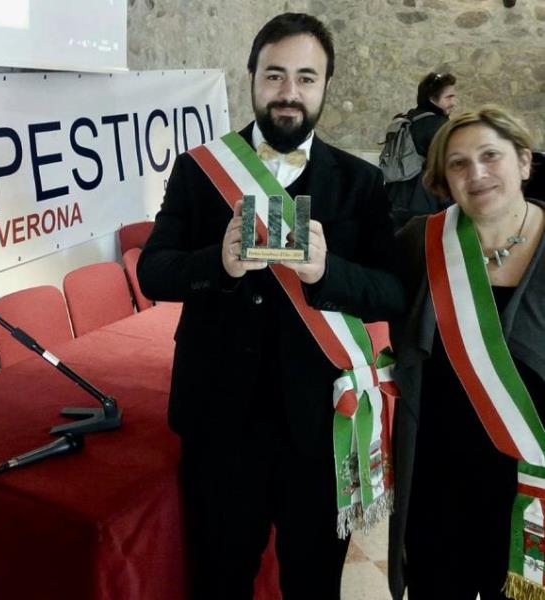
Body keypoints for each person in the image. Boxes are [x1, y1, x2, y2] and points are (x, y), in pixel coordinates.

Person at [137, 12, 405, 600]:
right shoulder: (200, 169)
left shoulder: (360, 182)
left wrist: (328, 273)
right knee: (219, 580)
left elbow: (393, 290)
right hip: (220, 421)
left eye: (306, 78)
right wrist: (219, 263)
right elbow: (152, 271)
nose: (289, 92)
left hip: (321, 425)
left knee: (313, 583)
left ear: (326, 84)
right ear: (252, 77)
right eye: (275, 75)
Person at [388, 106, 545, 600]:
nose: (476, 173)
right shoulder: (420, 242)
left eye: (490, 156)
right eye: (458, 163)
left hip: (531, 488)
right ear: (443, 179)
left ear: (524, 161)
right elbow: (366, 295)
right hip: (439, 481)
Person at [386, 72, 457, 231]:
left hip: (395, 199)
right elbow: (444, 170)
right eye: (449, 97)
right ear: (432, 98)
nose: (454, 102)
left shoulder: (409, 118)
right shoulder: (438, 126)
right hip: (424, 205)